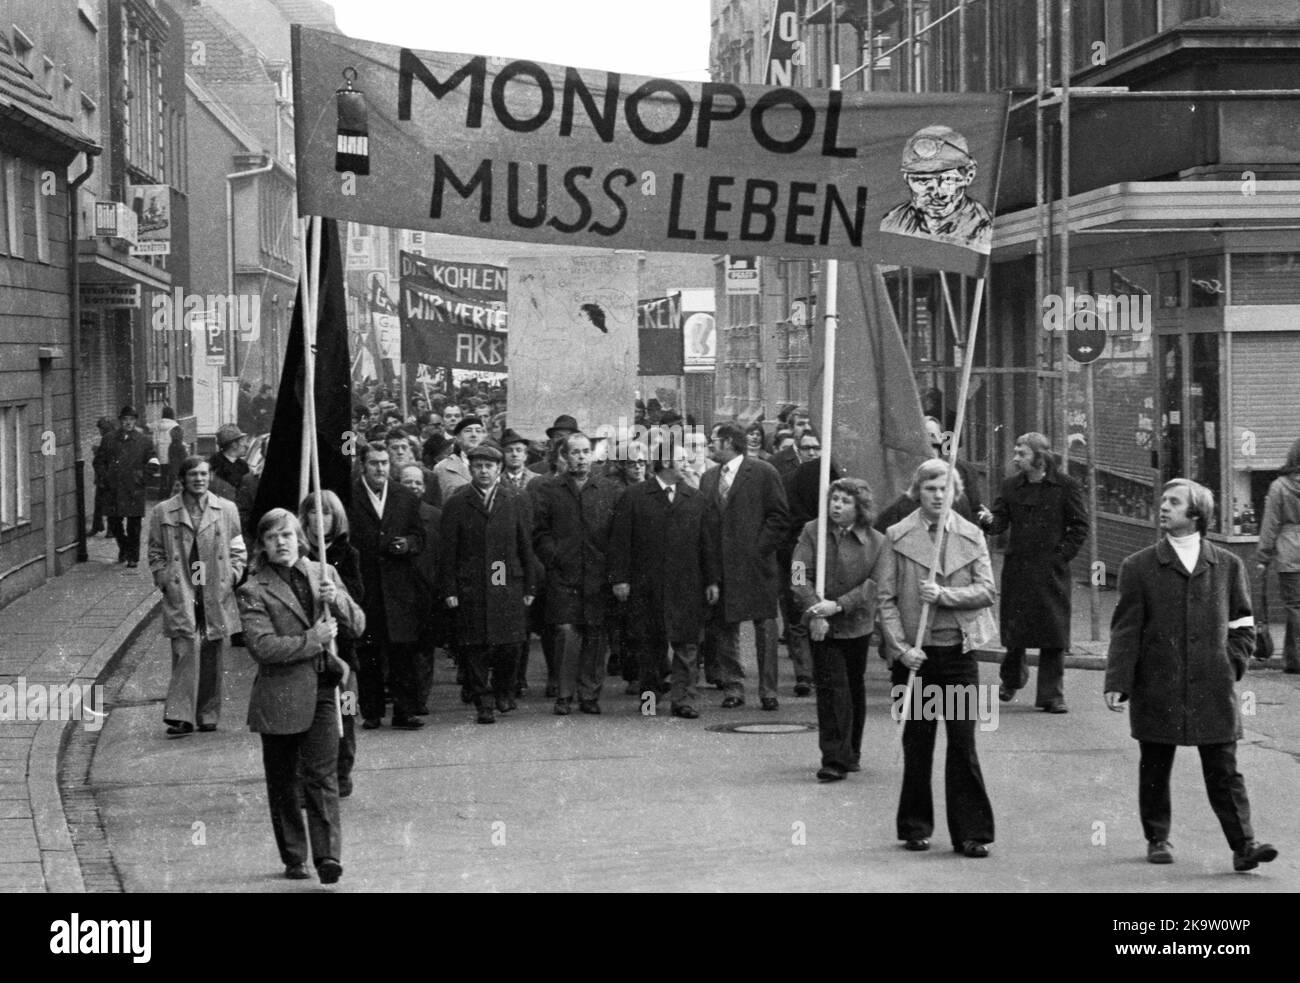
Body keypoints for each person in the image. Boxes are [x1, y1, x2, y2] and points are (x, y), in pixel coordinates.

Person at [1105, 479, 1278, 872]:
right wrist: (1118, 682)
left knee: (1224, 769)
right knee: (1155, 764)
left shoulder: (1228, 565)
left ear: (1196, 513)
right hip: (1157, 684)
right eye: (1162, 501)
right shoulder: (1139, 566)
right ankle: (1157, 837)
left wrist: (1231, 663)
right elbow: (1126, 630)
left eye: (1173, 502)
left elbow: (1243, 624)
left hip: (1212, 687)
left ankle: (1244, 846)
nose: (1163, 507)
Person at [238, 508, 364, 884]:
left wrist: (337, 599)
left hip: (324, 688)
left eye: (288, 535)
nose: (282, 543)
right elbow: (263, 647)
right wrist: (313, 640)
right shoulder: (253, 589)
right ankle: (295, 855)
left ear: (300, 539)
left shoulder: (322, 572)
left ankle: (327, 856)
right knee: (283, 781)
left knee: (322, 775)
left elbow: (357, 624)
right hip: (280, 694)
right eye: (273, 537)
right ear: (262, 544)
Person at [878, 459, 997, 857]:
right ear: (917, 491)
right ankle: (915, 827)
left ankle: (971, 833)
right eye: (930, 488)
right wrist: (900, 648)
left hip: (959, 655)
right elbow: (886, 600)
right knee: (918, 742)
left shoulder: (971, 534)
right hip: (916, 659)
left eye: (945, 488)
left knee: (962, 744)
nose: (938, 495)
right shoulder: (896, 535)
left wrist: (945, 596)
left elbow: (986, 591)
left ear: (955, 492)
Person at [977, 432, 1088, 713]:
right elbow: (1000, 522)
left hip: (1051, 571)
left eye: (1022, 453)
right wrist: (990, 521)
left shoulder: (1066, 486)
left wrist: (1061, 557)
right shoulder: (1011, 486)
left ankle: (1051, 695)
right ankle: (1012, 679)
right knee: (1016, 633)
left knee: (1054, 633)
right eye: (1015, 452)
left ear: (1040, 457)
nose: (1016, 458)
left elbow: (1079, 526)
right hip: (1018, 569)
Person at [609, 441, 720, 718]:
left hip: (687, 585)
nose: (687, 464)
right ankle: (649, 700)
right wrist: (620, 579)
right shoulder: (634, 497)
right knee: (648, 646)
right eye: (682, 459)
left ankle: (684, 700)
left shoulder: (695, 498)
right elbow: (620, 542)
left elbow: (707, 544)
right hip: (647, 586)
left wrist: (712, 581)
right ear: (667, 462)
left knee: (687, 644)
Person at [792, 478, 885, 781]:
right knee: (833, 688)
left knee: (853, 686)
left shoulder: (877, 541)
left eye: (845, 501)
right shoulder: (811, 531)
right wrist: (816, 609)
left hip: (856, 623)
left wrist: (839, 606)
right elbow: (797, 574)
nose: (836, 505)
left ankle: (852, 751)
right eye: (834, 499)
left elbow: (875, 585)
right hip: (822, 624)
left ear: (859, 507)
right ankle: (834, 757)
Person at [147, 456, 247, 737]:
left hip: (215, 586)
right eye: (193, 474)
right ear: (183, 478)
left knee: (213, 649)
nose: (199, 479)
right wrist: (163, 577)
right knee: (185, 647)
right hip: (183, 587)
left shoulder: (226, 509)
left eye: (204, 474)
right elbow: (155, 551)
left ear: (210, 476)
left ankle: (207, 713)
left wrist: (233, 576)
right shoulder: (163, 511)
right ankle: (180, 716)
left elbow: (239, 548)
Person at [441, 443, 537, 723]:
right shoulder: (458, 502)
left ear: (499, 469)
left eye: (489, 466)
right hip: (471, 585)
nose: (484, 471)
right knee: (475, 645)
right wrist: (449, 589)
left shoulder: (515, 498)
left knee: (510, 644)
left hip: (508, 583)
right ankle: (483, 702)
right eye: (479, 466)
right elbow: (449, 550)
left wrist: (530, 585)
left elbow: (525, 545)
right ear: (470, 469)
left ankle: (503, 692)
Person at [700, 422, 790, 710]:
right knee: (726, 627)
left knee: (764, 627)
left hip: (757, 567)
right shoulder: (708, 478)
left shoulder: (763, 472)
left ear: (727, 442)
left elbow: (778, 517)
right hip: (722, 568)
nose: (709, 446)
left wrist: (758, 550)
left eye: (713, 440)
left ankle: (768, 690)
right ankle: (733, 686)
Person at [531, 432, 621, 715]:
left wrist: (611, 565)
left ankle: (589, 694)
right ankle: (564, 693)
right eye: (575, 452)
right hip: (564, 575)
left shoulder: (608, 490)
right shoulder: (549, 490)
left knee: (596, 635)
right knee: (567, 634)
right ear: (565, 456)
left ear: (592, 456)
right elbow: (539, 532)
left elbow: (618, 534)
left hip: (598, 575)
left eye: (585, 452)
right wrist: (554, 556)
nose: (581, 457)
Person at [347, 442, 427, 731]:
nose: (380, 469)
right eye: (374, 464)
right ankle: (371, 711)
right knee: (368, 652)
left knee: (402, 651)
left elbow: (420, 536)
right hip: (365, 586)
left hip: (398, 587)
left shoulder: (404, 496)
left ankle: (405, 711)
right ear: (362, 465)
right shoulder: (350, 497)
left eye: (384, 463)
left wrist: (407, 544)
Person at [299, 491, 364, 798]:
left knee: (346, 713)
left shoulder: (347, 553)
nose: (320, 519)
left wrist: (335, 594)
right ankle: (309, 777)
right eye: (314, 512)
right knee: (308, 717)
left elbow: (358, 597)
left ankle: (342, 772)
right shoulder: (297, 553)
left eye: (327, 514)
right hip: (311, 648)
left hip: (344, 651)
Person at [878, 125, 993, 254]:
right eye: (922, 181)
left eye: (947, 179)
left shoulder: (984, 227)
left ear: (969, 175)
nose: (936, 193)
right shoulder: (891, 224)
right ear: (907, 179)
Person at [398, 463, 445, 716]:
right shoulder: (390, 513)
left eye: (418, 483)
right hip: (399, 591)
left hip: (428, 590)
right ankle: (404, 697)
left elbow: (443, 555)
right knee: (402, 648)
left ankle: (420, 698)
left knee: (425, 649)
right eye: (408, 482)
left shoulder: (436, 516)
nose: (414, 487)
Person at [1256, 436, 1300, 673]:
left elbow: (1270, 524)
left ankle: (1295, 660)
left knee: (1295, 607)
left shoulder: (1279, 487)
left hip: (1289, 553)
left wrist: (1263, 557)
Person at [103, 405, 160, 567]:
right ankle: (124, 547)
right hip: (114, 488)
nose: (128, 423)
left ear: (135, 421)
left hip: (134, 488)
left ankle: (133, 557)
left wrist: (142, 477)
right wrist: (105, 477)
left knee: (134, 525)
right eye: (125, 419)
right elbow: (99, 461)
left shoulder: (144, 441)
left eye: (131, 419)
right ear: (120, 421)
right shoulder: (109, 439)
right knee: (114, 522)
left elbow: (153, 462)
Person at [433, 417, 486, 502]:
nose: (474, 434)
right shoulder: (442, 468)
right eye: (468, 431)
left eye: (478, 431)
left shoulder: (495, 464)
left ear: (484, 437)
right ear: (458, 437)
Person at [89, 416, 116, 536]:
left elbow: (103, 457)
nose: (99, 432)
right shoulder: (114, 436)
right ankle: (102, 527)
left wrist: (97, 451)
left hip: (105, 477)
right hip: (111, 476)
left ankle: (103, 528)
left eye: (100, 429)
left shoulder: (107, 438)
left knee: (102, 503)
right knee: (109, 503)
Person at [207, 424, 250, 500]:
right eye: (242, 441)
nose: (246, 445)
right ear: (234, 445)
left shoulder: (243, 465)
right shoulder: (214, 465)